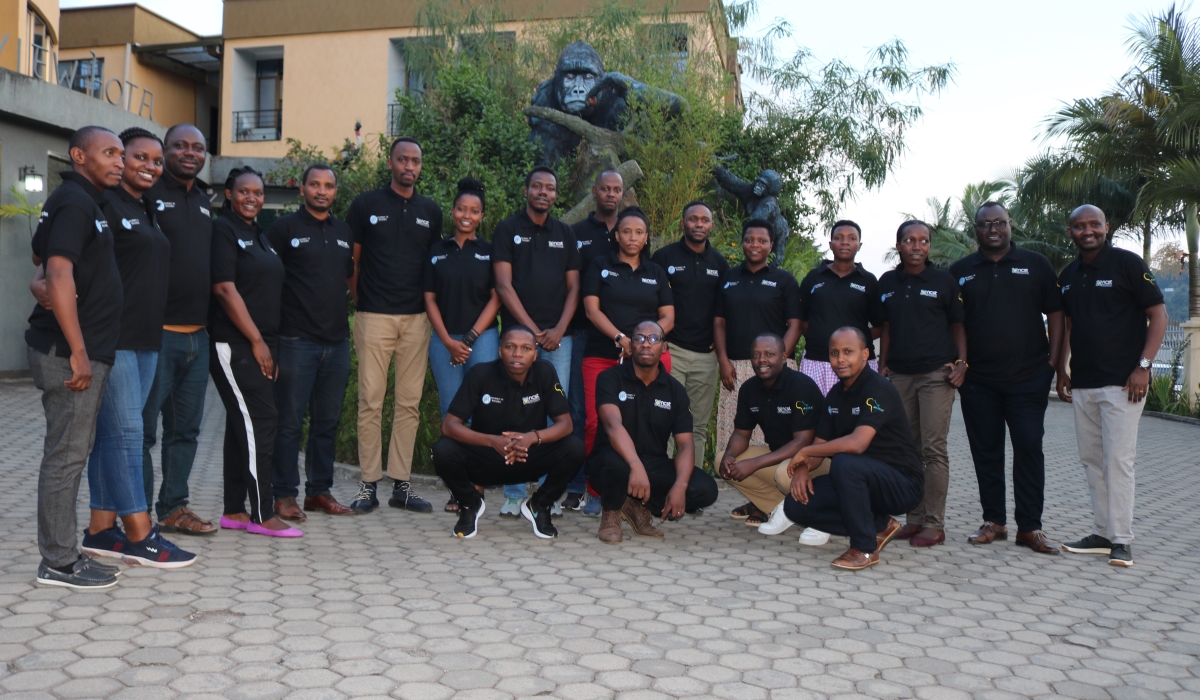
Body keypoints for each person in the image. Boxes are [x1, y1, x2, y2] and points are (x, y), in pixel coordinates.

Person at [46, 128, 193, 570]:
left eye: (156, 161)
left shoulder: (145, 207)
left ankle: (100, 529)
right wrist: (45, 293)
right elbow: (48, 263)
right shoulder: (99, 202)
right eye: (137, 157)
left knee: (115, 435)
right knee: (127, 436)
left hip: (147, 339)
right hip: (114, 339)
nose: (150, 166)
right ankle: (140, 535)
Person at [26, 126, 126, 589]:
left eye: (121, 154)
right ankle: (59, 562)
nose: (119, 161)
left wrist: (39, 281)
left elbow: (41, 260)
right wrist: (79, 352)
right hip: (69, 352)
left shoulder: (85, 202)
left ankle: (64, 552)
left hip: (83, 348)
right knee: (66, 457)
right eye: (109, 153)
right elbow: (58, 270)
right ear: (79, 156)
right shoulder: (74, 201)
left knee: (71, 453)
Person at [1056, 205, 1167, 568]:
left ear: (1107, 226)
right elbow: (1070, 326)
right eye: (1079, 226)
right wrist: (1062, 370)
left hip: (1124, 383)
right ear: (1070, 232)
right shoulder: (1068, 275)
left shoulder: (1127, 264)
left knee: (1118, 460)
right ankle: (1102, 533)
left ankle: (1121, 540)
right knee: (1092, 460)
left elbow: (1159, 315)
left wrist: (1143, 367)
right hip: (1084, 383)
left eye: (1094, 224)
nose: (1087, 231)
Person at [950, 201, 1064, 555]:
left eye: (999, 222)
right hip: (978, 381)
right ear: (976, 229)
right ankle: (994, 522)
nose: (993, 229)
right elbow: (954, 322)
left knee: (1029, 448)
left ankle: (1029, 527)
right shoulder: (961, 270)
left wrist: (1053, 364)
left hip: (1029, 378)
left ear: (1010, 224)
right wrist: (961, 364)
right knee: (986, 451)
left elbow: (1056, 314)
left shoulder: (1036, 264)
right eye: (985, 224)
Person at [345, 137, 441, 513]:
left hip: (417, 320)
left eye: (415, 161)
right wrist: (363, 302)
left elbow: (432, 266)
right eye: (402, 159)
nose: (409, 166)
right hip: (374, 317)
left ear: (420, 166)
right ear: (390, 163)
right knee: (370, 401)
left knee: (409, 403)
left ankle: (401, 485)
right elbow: (352, 263)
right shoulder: (366, 205)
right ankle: (368, 485)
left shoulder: (430, 211)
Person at [782, 327, 924, 570]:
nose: (840, 359)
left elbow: (857, 444)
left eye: (848, 352)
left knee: (844, 462)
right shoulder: (834, 396)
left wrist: (804, 452)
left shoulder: (878, 389)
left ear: (865, 354)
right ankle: (879, 525)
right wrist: (803, 469)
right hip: (859, 480)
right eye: (834, 353)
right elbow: (819, 446)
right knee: (796, 505)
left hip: (901, 483)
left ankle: (864, 548)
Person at [209, 167, 301, 538]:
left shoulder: (259, 234)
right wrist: (257, 341)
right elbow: (224, 289)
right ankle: (262, 514)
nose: (252, 198)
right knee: (261, 422)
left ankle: (234, 510)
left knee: (241, 425)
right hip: (236, 343)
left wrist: (269, 343)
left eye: (258, 192)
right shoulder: (223, 230)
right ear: (229, 194)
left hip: (263, 342)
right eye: (244, 191)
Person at [431, 326, 584, 539]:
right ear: (500, 351)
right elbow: (449, 426)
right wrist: (493, 441)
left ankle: (540, 505)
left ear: (535, 354)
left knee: (574, 447)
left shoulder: (544, 372)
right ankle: (469, 504)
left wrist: (532, 438)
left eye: (526, 348)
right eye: (510, 347)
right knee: (442, 450)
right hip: (488, 458)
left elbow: (565, 424)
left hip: (529, 456)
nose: (517, 354)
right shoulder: (480, 374)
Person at [266, 164, 356, 522]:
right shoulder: (283, 229)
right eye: (315, 184)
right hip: (295, 342)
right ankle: (284, 494)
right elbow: (266, 280)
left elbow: (347, 278)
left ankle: (319, 490)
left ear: (336, 192)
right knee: (289, 424)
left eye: (329, 186)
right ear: (301, 189)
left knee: (326, 422)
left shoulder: (343, 231)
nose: (322, 191)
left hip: (336, 344)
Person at [142, 123, 217, 537]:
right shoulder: (148, 193)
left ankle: (172, 509)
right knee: (142, 432)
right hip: (155, 336)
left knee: (185, 431)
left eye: (198, 147)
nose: (190, 153)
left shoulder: (204, 200)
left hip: (197, 337)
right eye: (181, 146)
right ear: (165, 150)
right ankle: (135, 516)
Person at [492, 166, 580, 516]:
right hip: (519, 340)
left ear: (556, 195)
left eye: (550, 188)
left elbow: (574, 287)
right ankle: (514, 492)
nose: (544, 192)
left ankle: (546, 494)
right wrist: (531, 333)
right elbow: (503, 285)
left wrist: (559, 329)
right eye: (537, 186)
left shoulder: (565, 233)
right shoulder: (507, 229)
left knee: (555, 413)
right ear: (526, 190)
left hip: (559, 341)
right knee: (513, 410)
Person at [877, 220, 967, 548]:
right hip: (900, 375)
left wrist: (962, 363)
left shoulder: (944, 281)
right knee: (907, 448)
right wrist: (883, 366)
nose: (917, 246)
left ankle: (934, 522)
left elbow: (958, 326)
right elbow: (886, 327)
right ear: (898, 245)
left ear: (929, 245)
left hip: (935, 376)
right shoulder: (887, 282)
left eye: (923, 241)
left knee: (932, 449)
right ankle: (914, 518)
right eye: (910, 240)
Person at [587, 320, 719, 543]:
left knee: (704, 489)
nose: (646, 344)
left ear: (664, 347)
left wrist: (680, 486)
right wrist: (635, 465)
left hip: (652, 464)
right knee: (616, 464)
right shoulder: (610, 378)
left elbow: (685, 444)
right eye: (639, 338)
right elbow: (612, 425)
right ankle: (611, 512)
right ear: (631, 345)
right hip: (610, 462)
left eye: (654, 339)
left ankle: (637, 505)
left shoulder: (675, 390)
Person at [713, 219, 802, 520]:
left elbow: (795, 324)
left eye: (762, 240)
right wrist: (723, 360)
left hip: (775, 369)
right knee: (736, 438)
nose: (755, 245)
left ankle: (773, 501)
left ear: (771, 246)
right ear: (742, 243)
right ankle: (757, 499)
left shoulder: (784, 280)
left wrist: (781, 359)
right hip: (736, 368)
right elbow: (719, 322)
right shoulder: (728, 278)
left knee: (770, 436)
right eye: (749, 239)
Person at [423, 178, 502, 512]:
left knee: (483, 411)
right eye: (460, 209)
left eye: (473, 211)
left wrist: (469, 338)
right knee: (451, 413)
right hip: (445, 341)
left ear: (482, 216)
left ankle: (477, 485)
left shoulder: (490, 251)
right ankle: (459, 488)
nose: (466, 216)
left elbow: (497, 297)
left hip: (482, 339)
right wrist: (447, 341)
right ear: (452, 211)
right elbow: (429, 298)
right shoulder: (437, 251)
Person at [581, 206, 674, 454]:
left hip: (649, 359)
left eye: (639, 232)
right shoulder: (599, 265)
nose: (633, 237)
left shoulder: (656, 272)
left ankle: (646, 475)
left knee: (648, 422)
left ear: (646, 238)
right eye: (626, 231)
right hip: (601, 355)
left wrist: (643, 342)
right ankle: (595, 479)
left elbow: (668, 317)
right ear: (616, 235)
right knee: (596, 423)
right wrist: (622, 339)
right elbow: (591, 310)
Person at [652, 201, 729, 494]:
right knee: (663, 419)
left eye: (704, 220)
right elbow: (650, 300)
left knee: (696, 425)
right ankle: (660, 486)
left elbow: (726, 310)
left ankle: (692, 489)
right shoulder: (664, 257)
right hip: (670, 351)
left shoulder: (720, 264)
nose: (699, 224)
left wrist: (719, 342)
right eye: (693, 219)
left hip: (706, 357)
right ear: (683, 223)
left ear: (711, 225)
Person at [718, 333, 824, 529]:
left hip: (814, 459)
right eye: (756, 355)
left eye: (769, 354)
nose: (762, 360)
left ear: (783, 357)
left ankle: (817, 512)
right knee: (722, 462)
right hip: (780, 454)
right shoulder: (749, 389)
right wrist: (729, 455)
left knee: (784, 474)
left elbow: (802, 441)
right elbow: (741, 433)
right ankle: (779, 507)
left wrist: (755, 463)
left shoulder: (802, 387)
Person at [565, 170, 624, 514]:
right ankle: (576, 485)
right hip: (582, 335)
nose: (611, 194)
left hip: (621, 341)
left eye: (617, 189)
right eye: (605, 188)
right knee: (579, 412)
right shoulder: (577, 233)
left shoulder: (629, 230)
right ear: (595, 191)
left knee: (613, 414)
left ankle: (606, 485)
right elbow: (568, 283)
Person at [797, 220, 885, 395]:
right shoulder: (814, 277)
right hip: (817, 361)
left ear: (859, 245)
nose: (845, 242)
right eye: (839, 238)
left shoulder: (868, 281)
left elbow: (879, 326)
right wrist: (820, 338)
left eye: (852, 238)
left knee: (858, 410)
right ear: (831, 244)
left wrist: (854, 344)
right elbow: (803, 322)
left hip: (858, 365)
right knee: (815, 410)